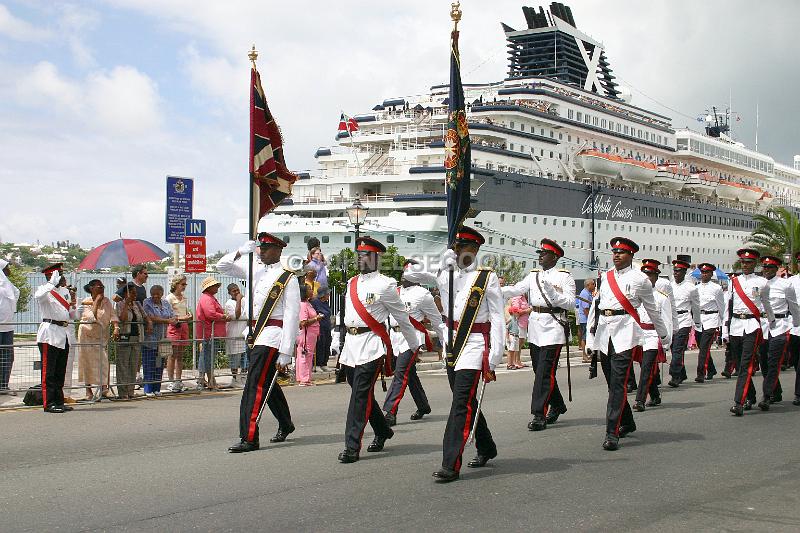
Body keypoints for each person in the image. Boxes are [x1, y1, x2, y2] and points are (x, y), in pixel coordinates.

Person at [337, 236, 419, 464]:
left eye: (366, 254)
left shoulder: (385, 284)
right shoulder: (352, 283)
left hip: (372, 345)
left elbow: (402, 317)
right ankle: (382, 430)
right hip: (351, 347)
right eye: (359, 254)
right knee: (361, 395)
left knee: (358, 397)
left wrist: (413, 345)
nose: (361, 257)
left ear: (376, 258)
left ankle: (351, 446)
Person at [433, 227, 504, 482]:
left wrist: (496, 354)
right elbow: (439, 287)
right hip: (452, 345)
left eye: (468, 250)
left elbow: (497, 317)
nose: (463, 253)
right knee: (467, 399)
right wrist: (445, 262)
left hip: (475, 345)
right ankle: (486, 446)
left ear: (475, 252)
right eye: (459, 248)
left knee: (460, 402)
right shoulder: (448, 275)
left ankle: (450, 463)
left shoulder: (487, 278)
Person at [585, 238, 671, 451]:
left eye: (621, 252)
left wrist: (664, 336)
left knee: (618, 384)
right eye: (614, 252)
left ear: (631, 255)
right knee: (611, 383)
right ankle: (628, 422)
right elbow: (596, 310)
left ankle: (611, 432)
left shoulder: (640, 279)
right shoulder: (605, 277)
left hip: (625, 333)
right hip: (605, 335)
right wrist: (589, 339)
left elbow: (652, 310)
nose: (616, 255)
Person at [218, 232, 300, 453]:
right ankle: (285, 423)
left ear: (278, 250)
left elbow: (292, 316)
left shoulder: (287, 278)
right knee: (267, 383)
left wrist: (286, 350)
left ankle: (249, 437)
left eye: (265, 248)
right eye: (259, 248)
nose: (261, 252)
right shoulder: (254, 270)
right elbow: (222, 267)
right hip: (253, 332)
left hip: (273, 335)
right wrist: (240, 251)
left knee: (254, 384)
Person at [502, 238, 576, 432]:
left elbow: (569, 303)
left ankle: (538, 414)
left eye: (544, 253)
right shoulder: (533, 275)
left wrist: (552, 292)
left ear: (555, 256)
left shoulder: (565, 277)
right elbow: (516, 289)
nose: (540, 256)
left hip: (554, 326)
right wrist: (493, 289)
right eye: (540, 253)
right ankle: (558, 404)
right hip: (535, 326)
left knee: (544, 372)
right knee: (540, 370)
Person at [382, 262, 442, 426]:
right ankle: (423, 405)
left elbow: (437, 320)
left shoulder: (423, 294)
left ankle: (390, 412)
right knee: (410, 374)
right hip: (394, 337)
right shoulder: (395, 291)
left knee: (400, 373)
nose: (404, 274)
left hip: (412, 339)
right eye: (404, 271)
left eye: (409, 271)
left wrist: (446, 342)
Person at [722, 249, 775, 416]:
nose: (745, 265)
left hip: (752, 325)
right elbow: (727, 308)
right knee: (738, 364)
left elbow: (766, 305)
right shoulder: (733, 281)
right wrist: (724, 330)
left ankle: (739, 402)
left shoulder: (762, 282)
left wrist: (771, 324)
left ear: (755, 264)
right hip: (736, 325)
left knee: (746, 364)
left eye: (749, 262)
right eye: (743, 262)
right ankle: (750, 395)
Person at [756, 256, 800, 410]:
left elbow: (793, 307)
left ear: (776, 269)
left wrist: (795, 325)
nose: (766, 270)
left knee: (774, 362)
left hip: (780, 326)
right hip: (762, 326)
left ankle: (766, 396)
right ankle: (776, 391)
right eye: (764, 267)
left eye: (770, 267)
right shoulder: (758, 284)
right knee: (764, 362)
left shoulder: (786, 285)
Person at [35, 263, 80, 412]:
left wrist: (74, 305)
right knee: (49, 371)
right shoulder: (45, 290)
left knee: (60, 370)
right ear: (51, 276)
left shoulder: (64, 291)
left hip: (63, 333)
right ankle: (49, 403)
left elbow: (71, 315)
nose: (62, 277)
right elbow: (38, 296)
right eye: (59, 274)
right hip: (50, 334)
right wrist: (50, 283)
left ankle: (59, 400)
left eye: (62, 274)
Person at [632, 262, 673, 411]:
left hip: (654, 335)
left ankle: (640, 400)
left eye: (650, 275)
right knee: (646, 367)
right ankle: (655, 395)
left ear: (656, 277)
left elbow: (667, 321)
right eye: (645, 275)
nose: (647, 278)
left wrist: (666, 342)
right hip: (639, 334)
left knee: (646, 369)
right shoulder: (637, 295)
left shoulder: (662, 298)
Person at [77, 279, 119, 400]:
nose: (102, 289)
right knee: (87, 362)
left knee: (103, 361)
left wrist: (116, 327)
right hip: (87, 335)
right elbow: (91, 317)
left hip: (100, 336)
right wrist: (96, 302)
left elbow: (113, 315)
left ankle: (104, 388)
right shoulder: (86, 302)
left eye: (103, 287)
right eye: (99, 287)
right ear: (92, 288)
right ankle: (88, 391)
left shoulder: (107, 302)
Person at [667, 255, 701, 388]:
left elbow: (696, 307)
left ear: (684, 272)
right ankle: (682, 373)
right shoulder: (669, 286)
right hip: (672, 320)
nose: (676, 273)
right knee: (673, 348)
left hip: (684, 320)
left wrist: (697, 323)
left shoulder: (691, 288)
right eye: (674, 270)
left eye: (679, 271)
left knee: (677, 349)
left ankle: (675, 375)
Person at [195, 276, 229, 391]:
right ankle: (204, 379)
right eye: (214, 286)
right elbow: (210, 314)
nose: (216, 288)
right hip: (208, 332)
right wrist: (223, 316)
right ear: (209, 287)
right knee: (206, 356)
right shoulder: (207, 298)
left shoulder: (209, 298)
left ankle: (209, 379)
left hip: (210, 332)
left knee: (208, 356)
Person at [142, 285, 175, 397]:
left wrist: (173, 320)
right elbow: (149, 316)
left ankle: (157, 388)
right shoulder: (147, 302)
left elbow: (172, 315)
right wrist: (167, 320)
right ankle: (148, 389)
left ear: (162, 294)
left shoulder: (165, 303)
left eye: (158, 294)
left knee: (159, 364)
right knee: (149, 364)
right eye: (154, 294)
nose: (156, 296)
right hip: (150, 339)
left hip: (163, 338)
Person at [694, 263, 725, 382]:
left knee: (704, 347)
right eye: (702, 272)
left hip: (711, 318)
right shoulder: (696, 288)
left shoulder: (716, 288)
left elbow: (721, 306)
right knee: (702, 346)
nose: (704, 274)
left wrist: (722, 324)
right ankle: (711, 369)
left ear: (711, 274)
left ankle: (701, 373)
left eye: (707, 272)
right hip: (699, 320)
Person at [115, 282, 145, 400]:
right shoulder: (119, 304)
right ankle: (122, 392)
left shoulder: (137, 304)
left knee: (133, 365)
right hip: (125, 336)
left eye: (135, 293)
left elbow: (144, 316)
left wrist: (149, 323)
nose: (135, 295)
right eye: (132, 293)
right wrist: (126, 304)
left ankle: (131, 390)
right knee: (123, 365)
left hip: (136, 337)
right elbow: (122, 319)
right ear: (126, 294)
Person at [165, 275, 192, 392]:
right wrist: (183, 317)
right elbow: (168, 315)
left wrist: (188, 316)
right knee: (172, 355)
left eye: (185, 284)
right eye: (182, 284)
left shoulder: (184, 298)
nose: (184, 286)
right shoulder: (169, 298)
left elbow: (185, 312)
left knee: (180, 355)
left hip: (183, 326)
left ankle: (178, 380)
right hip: (174, 326)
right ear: (176, 284)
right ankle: (170, 380)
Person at [0, 259, 20, 395]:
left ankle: (3, 385)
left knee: (7, 357)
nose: (9, 270)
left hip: (8, 327)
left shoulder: (8, 285)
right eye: (7, 267)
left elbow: (16, 295)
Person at [295, 284, 321, 386]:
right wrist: (316, 319)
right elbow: (303, 322)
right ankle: (304, 379)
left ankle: (304, 377)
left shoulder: (308, 303)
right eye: (309, 289)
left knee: (306, 354)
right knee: (305, 355)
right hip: (306, 333)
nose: (312, 290)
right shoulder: (303, 305)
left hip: (311, 333)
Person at [224, 283, 248, 387]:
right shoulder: (229, 303)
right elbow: (237, 315)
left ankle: (243, 377)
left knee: (245, 358)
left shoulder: (244, 301)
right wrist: (238, 300)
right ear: (230, 293)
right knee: (235, 359)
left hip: (244, 334)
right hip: (234, 335)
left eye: (238, 290)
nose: (237, 293)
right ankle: (234, 378)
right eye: (234, 291)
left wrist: (241, 300)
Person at [310, 287, 332, 372]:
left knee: (327, 344)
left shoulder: (326, 303)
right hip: (319, 326)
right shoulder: (315, 302)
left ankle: (324, 363)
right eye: (327, 294)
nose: (328, 295)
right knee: (320, 345)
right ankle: (318, 363)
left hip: (327, 326)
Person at [507, 294, 531, 369]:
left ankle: (518, 360)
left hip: (524, 323)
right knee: (517, 343)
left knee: (520, 343)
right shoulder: (516, 297)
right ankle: (514, 362)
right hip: (518, 323)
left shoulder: (523, 297)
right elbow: (515, 311)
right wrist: (527, 310)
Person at [576, 279, 595, 360]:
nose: (594, 286)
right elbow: (585, 309)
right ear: (588, 285)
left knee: (588, 337)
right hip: (585, 319)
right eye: (593, 284)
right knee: (585, 337)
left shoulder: (588, 293)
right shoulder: (585, 294)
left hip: (586, 318)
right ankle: (584, 355)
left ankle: (589, 354)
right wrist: (590, 320)